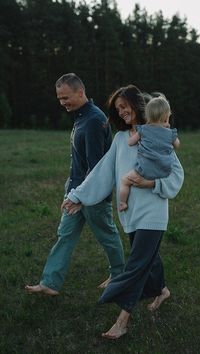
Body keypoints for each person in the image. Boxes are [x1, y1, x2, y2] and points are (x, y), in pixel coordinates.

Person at [62, 84, 184, 339]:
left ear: (136, 104)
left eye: (124, 106)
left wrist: (152, 183)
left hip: (154, 213)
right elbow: (102, 173)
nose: (122, 112)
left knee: (137, 266)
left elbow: (177, 174)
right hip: (130, 215)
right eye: (118, 109)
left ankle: (122, 320)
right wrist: (78, 196)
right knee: (148, 258)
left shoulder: (157, 134)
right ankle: (161, 289)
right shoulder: (120, 140)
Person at [25, 73, 125, 296]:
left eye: (66, 97)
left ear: (81, 92)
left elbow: (97, 168)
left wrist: (82, 197)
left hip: (92, 194)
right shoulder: (81, 116)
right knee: (65, 235)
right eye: (59, 99)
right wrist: (73, 193)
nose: (62, 103)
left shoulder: (93, 121)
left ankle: (119, 276)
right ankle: (50, 283)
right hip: (75, 191)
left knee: (107, 235)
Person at [119, 95, 180, 211]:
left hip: (144, 170)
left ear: (148, 115)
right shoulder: (170, 133)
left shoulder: (144, 129)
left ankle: (122, 203)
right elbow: (177, 145)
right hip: (164, 171)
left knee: (125, 181)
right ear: (166, 116)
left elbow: (130, 142)